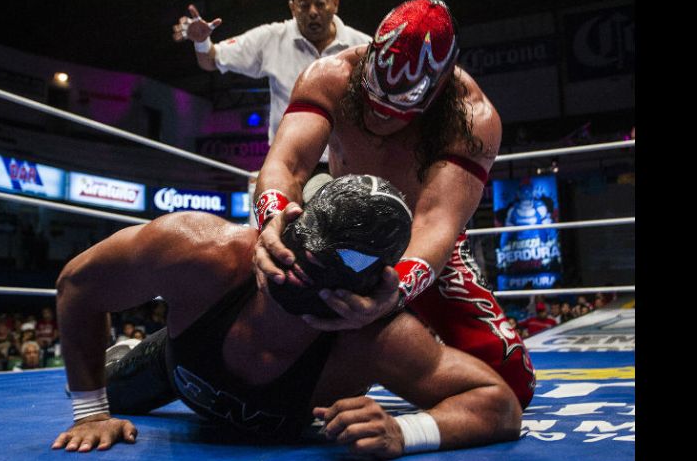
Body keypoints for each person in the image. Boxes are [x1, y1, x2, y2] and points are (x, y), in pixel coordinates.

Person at [51, 175, 522, 457]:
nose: (299, 278)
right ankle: (134, 350)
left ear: (369, 289)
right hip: (175, 363)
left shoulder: (375, 338)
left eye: (325, 277)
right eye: (300, 258)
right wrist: (90, 414)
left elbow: (497, 403)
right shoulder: (201, 253)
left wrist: (406, 431)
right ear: (288, 226)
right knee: (110, 390)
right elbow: (78, 285)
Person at [252, 0, 536, 408]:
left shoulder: (472, 117)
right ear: (369, 59)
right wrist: (273, 220)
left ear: (438, 90)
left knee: (511, 383)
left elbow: (435, 223)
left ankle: (401, 334)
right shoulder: (329, 75)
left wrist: (396, 290)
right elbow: (288, 163)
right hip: (336, 231)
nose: (380, 118)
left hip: (421, 243)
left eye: (398, 109)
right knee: (262, 348)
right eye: (373, 100)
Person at [172, 0, 370, 165]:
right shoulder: (271, 39)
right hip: (289, 164)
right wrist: (201, 42)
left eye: (320, 3)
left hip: (347, 163)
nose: (312, 12)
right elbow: (212, 59)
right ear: (292, 8)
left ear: (335, 4)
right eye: (303, 5)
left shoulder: (363, 47)